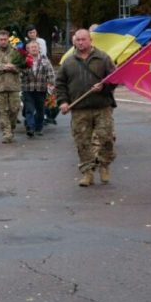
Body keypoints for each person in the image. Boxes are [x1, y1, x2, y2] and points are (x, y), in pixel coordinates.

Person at [56, 28, 117, 187]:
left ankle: (104, 164)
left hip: (102, 107)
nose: (81, 42)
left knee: (106, 139)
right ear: (74, 41)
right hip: (79, 108)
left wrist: (104, 86)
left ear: (91, 40)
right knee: (82, 142)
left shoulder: (103, 58)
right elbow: (60, 84)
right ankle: (87, 172)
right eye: (78, 40)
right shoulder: (68, 62)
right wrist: (63, 101)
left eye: (84, 39)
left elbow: (115, 79)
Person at [21, 40, 55, 137]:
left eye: (35, 47)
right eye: (32, 47)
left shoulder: (45, 60)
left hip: (41, 89)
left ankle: (39, 128)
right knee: (29, 109)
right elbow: (20, 74)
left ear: (39, 48)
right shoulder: (25, 60)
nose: (34, 49)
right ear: (29, 49)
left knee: (40, 110)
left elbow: (51, 73)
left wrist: (51, 85)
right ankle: (30, 128)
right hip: (28, 89)